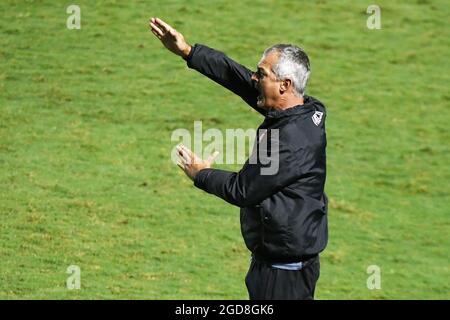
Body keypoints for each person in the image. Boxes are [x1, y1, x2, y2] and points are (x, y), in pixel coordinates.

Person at [149, 17, 328, 300]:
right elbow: (243, 82)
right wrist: (189, 52)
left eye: (261, 73)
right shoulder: (308, 111)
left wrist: (201, 173)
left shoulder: (288, 142)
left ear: (284, 85)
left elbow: (243, 189)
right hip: (287, 265)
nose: (254, 78)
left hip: (281, 278)